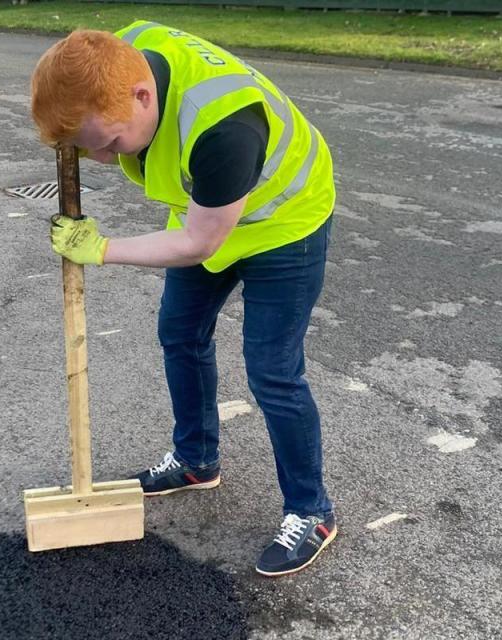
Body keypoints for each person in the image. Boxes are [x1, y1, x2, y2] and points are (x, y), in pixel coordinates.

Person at [31, 21, 337, 577]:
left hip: (282, 223)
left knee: (272, 371)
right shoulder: (118, 55)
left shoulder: (224, 130)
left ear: (141, 95)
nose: (101, 159)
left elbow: (198, 243)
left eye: (108, 144)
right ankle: (196, 460)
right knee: (180, 331)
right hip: (210, 207)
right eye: (84, 148)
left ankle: (311, 511)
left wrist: (101, 249)